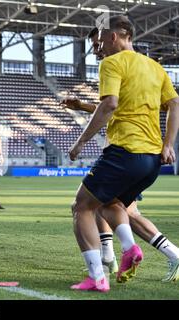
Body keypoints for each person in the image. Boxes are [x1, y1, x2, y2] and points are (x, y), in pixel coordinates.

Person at [68, 16, 179, 292]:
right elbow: (174, 103)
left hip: (125, 151)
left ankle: (97, 277)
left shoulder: (112, 63)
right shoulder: (155, 67)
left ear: (113, 37)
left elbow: (110, 105)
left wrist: (80, 142)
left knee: (81, 206)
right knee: (110, 204)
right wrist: (168, 144)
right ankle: (128, 250)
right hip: (152, 159)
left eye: (99, 41)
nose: (98, 49)